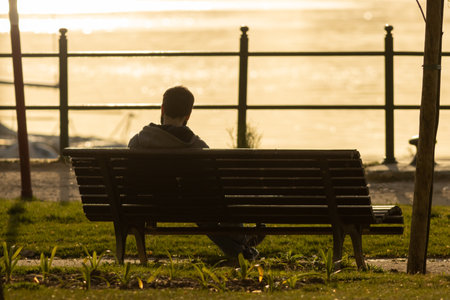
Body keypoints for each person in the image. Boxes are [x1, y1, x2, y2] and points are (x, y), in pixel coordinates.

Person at [128, 86, 263, 260]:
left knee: (199, 205)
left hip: (147, 207)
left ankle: (241, 250)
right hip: (191, 207)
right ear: (188, 115)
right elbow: (215, 184)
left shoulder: (137, 142)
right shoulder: (197, 147)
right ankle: (243, 239)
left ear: (162, 109)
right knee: (204, 202)